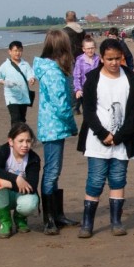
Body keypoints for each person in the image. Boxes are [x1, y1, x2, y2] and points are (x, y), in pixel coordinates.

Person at [76, 38, 134, 238]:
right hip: (97, 140)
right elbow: (88, 112)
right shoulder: (93, 79)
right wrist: (103, 134)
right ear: (101, 58)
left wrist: (120, 136)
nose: (113, 63)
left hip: (123, 139)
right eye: (109, 59)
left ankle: (116, 221)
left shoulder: (130, 78)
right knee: (95, 180)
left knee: (118, 179)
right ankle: (87, 223)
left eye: (117, 58)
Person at [33, 30, 80, 235]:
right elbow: (61, 104)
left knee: (54, 171)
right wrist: (72, 125)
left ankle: (56, 214)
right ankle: (49, 219)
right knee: (52, 171)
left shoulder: (48, 68)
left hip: (51, 125)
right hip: (54, 126)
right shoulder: (53, 71)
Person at [0, 123, 41, 238]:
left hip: (22, 194)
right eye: (20, 141)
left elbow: (32, 186)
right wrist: (17, 178)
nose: (25, 145)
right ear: (11, 142)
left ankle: (20, 218)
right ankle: (5, 222)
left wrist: (7, 183)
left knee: (30, 203)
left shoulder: (34, 158)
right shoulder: (4, 151)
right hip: (5, 194)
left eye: (28, 141)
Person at [0, 41, 36, 125]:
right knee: (15, 118)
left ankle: (18, 135)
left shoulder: (25, 64)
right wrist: (5, 82)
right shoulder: (5, 65)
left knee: (22, 119)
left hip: (24, 96)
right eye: (15, 50)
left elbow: (30, 76)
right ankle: (15, 136)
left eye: (20, 50)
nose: (18, 53)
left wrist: (32, 80)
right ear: (9, 51)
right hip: (11, 97)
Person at [73, 37, 100, 115]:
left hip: (97, 89)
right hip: (84, 90)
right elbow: (77, 76)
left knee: (97, 110)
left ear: (95, 48)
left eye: (92, 48)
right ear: (83, 49)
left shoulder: (98, 59)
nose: (90, 50)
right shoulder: (80, 60)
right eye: (88, 48)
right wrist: (78, 89)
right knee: (87, 112)